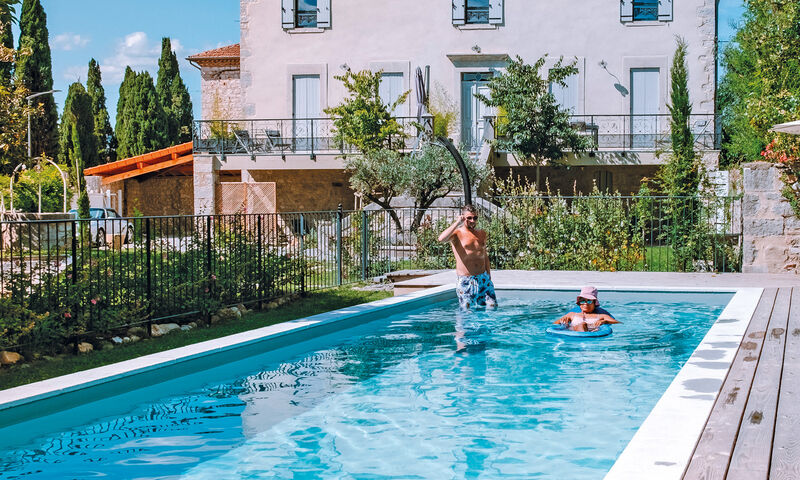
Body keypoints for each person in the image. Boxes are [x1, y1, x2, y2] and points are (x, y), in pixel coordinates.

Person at [438, 204, 497, 310]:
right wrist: (457, 223)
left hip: (483, 278)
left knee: (492, 307)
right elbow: (441, 239)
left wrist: (488, 275)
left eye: (475, 218)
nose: (472, 220)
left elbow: (484, 255)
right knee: (467, 311)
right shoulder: (457, 233)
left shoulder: (481, 233)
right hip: (466, 280)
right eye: (469, 218)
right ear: (463, 217)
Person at [554, 286, 620, 332]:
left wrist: (605, 321)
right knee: (582, 324)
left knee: (583, 324)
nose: (585, 303)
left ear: (594, 303)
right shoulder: (571, 315)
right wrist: (563, 321)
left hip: (590, 335)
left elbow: (617, 322)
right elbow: (555, 324)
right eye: (582, 301)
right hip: (574, 334)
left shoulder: (601, 316)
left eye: (589, 301)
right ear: (579, 303)